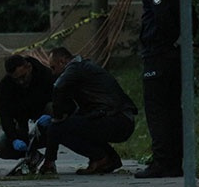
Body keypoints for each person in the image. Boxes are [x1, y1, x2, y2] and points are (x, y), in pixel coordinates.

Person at [38, 47, 137, 175]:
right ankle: (109, 158)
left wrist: (57, 117)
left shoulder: (75, 68)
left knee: (57, 128)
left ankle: (98, 158)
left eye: (53, 67)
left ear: (62, 61)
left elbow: (58, 87)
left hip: (115, 118)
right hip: (119, 118)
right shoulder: (84, 68)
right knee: (72, 125)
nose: (53, 72)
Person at [134, 0, 184, 178]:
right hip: (175, 55)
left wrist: (161, 44)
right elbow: (190, 15)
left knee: (158, 110)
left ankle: (162, 162)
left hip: (158, 55)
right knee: (173, 109)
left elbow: (162, 18)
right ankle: (174, 162)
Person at [0, 54, 54, 174]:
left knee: (52, 108)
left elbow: (60, 100)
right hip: (24, 127)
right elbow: (5, 115)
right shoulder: (6, 86)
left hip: (47, 124)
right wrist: (13, 138)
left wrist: (53, 116)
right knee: (0, 147)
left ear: (29, 67)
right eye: (16, 79)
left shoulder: (46, 75)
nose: (21, 82)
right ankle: (32, 156)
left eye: (23, 77)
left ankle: (50, 160)